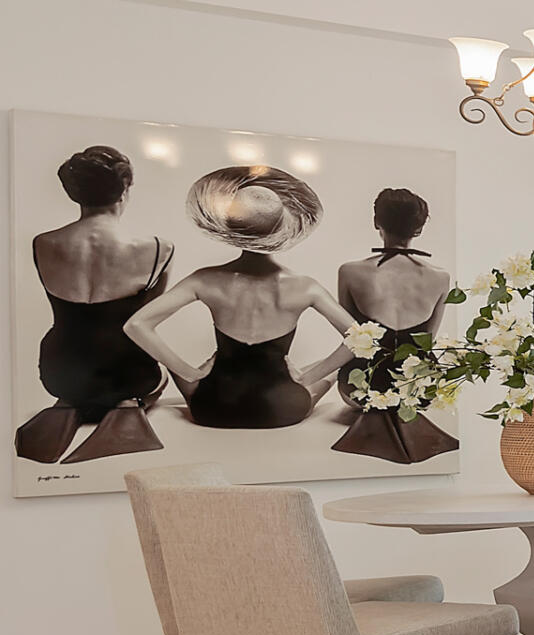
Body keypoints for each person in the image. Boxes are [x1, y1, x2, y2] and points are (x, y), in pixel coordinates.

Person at [126, 165, 353, 429]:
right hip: (282, 409)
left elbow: (136, 325)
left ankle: (203, 376)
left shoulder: (204, 279)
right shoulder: (306, 287)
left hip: (212, 407)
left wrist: (190, 373)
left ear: (230, 229)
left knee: (173, 369)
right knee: (336, 370)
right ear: (281, 231)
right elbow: (362, 338)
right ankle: (301, 381)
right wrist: (308, 377)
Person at [17, 144, 172, 465]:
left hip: (59, 371)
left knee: (80, 360)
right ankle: (126, 405)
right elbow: (145, 323)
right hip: (129, 373)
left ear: (75, 193)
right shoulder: (158, 248)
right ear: (125, 190)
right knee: (158, 377)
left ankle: (71, 404)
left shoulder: (42, 243)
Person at [332, 187, 458, 464]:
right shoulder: (440, 277)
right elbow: (427, 342)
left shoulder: (350, 271)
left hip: (361, 387)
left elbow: (352, 340)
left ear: (377, 222)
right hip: (418, 388)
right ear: (419, 229)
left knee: (335, 376)